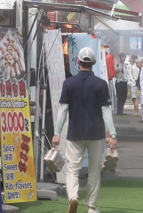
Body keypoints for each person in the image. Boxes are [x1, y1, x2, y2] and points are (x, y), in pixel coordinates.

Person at [52, 47, 117, 213]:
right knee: (94, 171)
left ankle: (73, 197)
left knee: (72, 169)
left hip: (75, 133)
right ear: (94, 63)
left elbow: (63, 110)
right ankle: (91, 208)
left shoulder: (69, 83)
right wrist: (113, 134)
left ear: (78, 62)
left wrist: (57, 133)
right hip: (96, 134)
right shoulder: (101, 84)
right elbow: (106, 111)